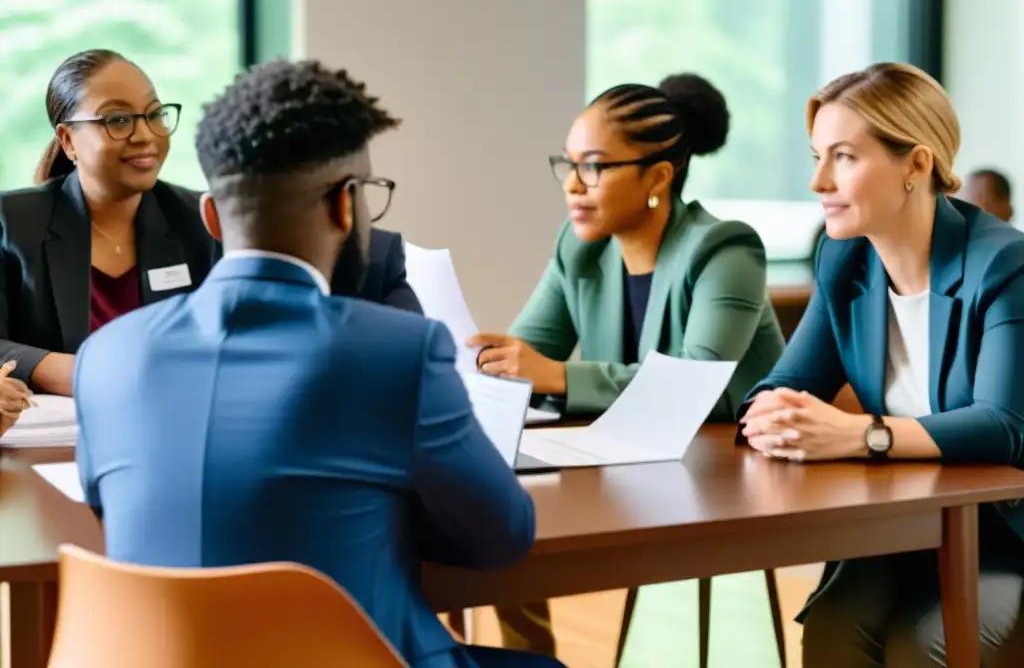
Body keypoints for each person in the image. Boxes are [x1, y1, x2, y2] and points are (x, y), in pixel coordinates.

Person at [73, 58, 566, 668]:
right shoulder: (399, 352)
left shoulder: (106, 355)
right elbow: (504, 537)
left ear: (210, 217)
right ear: (345, 206)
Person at [469, 74, 786, 655]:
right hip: (637, 465)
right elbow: (525, 355)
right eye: (567, 165)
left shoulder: (724, 249)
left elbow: (700, 386)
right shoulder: (580, 247)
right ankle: (534, 662)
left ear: (659, 176)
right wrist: (484, 364)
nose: (572, 185)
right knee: (498, 512)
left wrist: (558, 377)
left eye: (593, 167)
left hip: (730, 479)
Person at [740, 62, 1024, 666]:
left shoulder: (1005, 267)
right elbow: (787, 382)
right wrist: (771, 412)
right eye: (817, 156)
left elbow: (1003, 425)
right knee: (831, 635)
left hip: (1006, 533)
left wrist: (860, 433)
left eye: (843, 156)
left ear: (916, 166)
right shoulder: (844, 260)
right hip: (902, 526)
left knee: (926, 647)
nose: (818, 180)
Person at [0, 49, 217, 411]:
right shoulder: (12, 222)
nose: (146, 135)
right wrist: (67, 370)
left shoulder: (201, 220)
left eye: (155, 115)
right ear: (68, 140)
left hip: (175, 426)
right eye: (117, 120)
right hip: (50, 447)